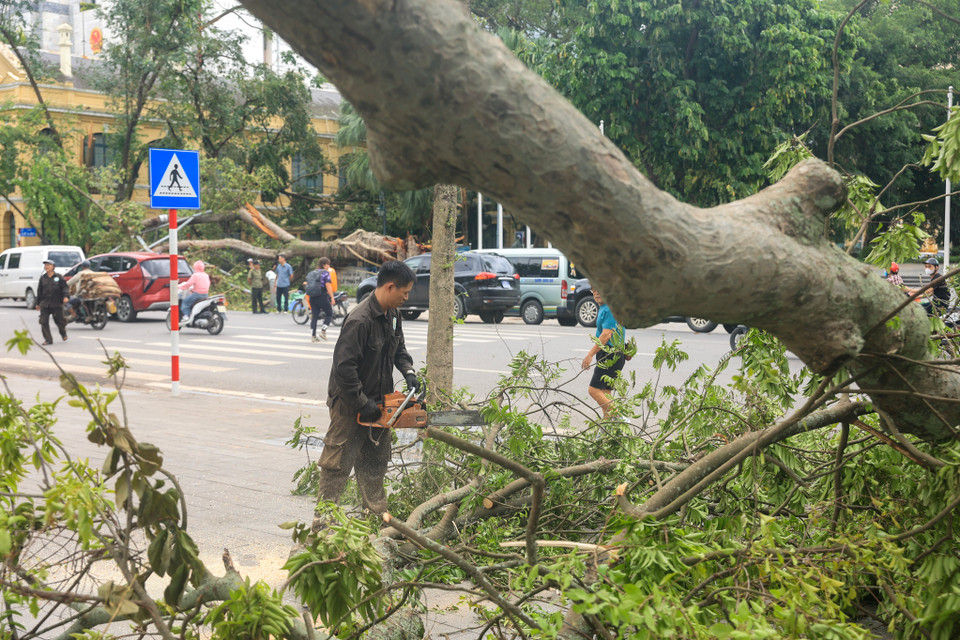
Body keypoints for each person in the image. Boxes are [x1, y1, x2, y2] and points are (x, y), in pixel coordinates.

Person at [317, 260, 419, 518]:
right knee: (337, 466)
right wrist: (362, 403)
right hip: (350, 406)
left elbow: (400, 350)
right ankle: (323, 524)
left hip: (380, 404)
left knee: (374, 466)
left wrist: (409, 373)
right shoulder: (359, 320)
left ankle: (375, 519)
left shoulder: (393, 316)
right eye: (404, 292)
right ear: (389, 286)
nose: (406, 298)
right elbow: (344, 369)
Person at [580, 286, 628, 418]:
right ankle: (608, 429)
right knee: (605, 393)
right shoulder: (605, 308)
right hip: (610, 354)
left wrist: (589, 355)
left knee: (593, 390)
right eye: (593, 290)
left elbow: (606, 335)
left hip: (610, 355)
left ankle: (619, 418)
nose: (596, 293)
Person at [36, 259, 69, 345]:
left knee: (60, 321)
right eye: (45, 265)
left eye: (48, 265)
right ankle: (48, 339)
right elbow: (39, 291)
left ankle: (63, 333)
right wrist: (37, 303)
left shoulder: (58, 277)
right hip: (45, 304)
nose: (46, 267)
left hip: (57, 303)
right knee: (43, 321)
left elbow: (65, 288)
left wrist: (65, 296)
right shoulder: (43, 278)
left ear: (53, 267)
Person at [305, 257, 335, 341]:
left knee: (315, 316)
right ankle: (323, 331)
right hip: (322, 296)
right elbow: (328, 285)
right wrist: (332, 297)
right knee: (329, 314)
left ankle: (313, 336)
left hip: (312, 297)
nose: (329, 266)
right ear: (323, 264)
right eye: (328, 264)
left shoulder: (312, 272)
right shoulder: (325, 273)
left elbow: (307, 283)